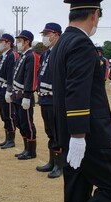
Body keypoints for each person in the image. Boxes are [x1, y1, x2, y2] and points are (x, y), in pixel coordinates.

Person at [50, 1, 111, 202]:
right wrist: (79, 135)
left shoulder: (62, 42)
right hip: (89, 135)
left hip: (68, 132)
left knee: (76, 192)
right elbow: (76, 91)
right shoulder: (81, 43)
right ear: (95, 14)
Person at [35, 23, 63, 178]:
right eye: (43, 34)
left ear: (56, 34)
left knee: (57, 132)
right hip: (44, 98)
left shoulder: (60, 51)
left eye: (47, 34)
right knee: (49, 131)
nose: (44, 37)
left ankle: (59, 165)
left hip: (54, 99)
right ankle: (52, 161)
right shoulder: (46, 54)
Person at [12, 30, 40, 160]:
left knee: (27, 123)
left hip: (24, 95)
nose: (17, 43)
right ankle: (25, 148)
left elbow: (31, 77)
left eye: (20, 40)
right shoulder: (22, 55)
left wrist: (28, 96)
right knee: (20, 122)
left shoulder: (31, 56)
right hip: (16, 95)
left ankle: (31, 151)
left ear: (27, 42)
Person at [0, 34, 16, 149]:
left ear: (8, 43)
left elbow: (11, 74)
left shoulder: (11, 55)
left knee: (9, 115)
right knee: (3, 115)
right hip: (0, 88)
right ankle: (7, 138)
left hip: (6, 88)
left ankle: (11, 139)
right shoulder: (3, 56)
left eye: (2, 42)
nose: (0, 44)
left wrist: (9, 90)